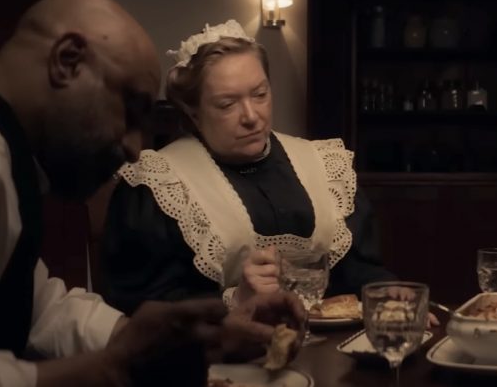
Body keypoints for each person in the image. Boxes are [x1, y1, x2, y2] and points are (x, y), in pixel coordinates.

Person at [0, 0, 305, 387]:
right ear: (67, 61)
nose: (133, 148)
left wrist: (179, 339)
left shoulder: (1, 148)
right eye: (130, 111)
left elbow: (37, 307)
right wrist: (112, 369)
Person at [100, 20, 398, 315]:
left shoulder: (323, 165)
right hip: (213, 345)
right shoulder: (159, 184)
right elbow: (142, 310)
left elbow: (358, 272)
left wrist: (387, 291)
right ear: (193, 111)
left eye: (260, 95)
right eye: (227, 104)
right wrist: (237, 299)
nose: (251, 116)